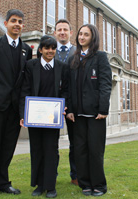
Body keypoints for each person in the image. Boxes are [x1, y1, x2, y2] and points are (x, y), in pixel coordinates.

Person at [0, 9, 32, 199]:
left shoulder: (27, 50)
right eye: (13, 21)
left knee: (9, 147)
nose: (17, 24)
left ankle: (3, 183)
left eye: (20, 22)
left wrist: (24, 109)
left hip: (15, 108)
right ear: (6, 24)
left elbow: (25, 80)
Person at [19, 35, 69, 198]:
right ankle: (39, 185)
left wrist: (64, 106)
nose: (50, 51)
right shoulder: (30, 66)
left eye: (53, 48)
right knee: (37, 150)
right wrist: (23, 113)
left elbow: (65, 91)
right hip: (34, 116)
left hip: (52, 118)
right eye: (47, 48)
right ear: (40, 50)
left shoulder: (62, 67)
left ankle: (51, 186)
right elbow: (25, 90)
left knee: (51, 151)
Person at [66, 24, 112, 197]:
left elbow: (105, 84)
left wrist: (103, 108)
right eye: (80, 34)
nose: (82, 37)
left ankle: (99, 185)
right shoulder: (74, 58)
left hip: (95, 115)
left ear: (93, 37)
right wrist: (70, 109)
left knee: (95, 151)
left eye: (86, 34)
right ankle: (85, 184)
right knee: (80, 150)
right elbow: (69, 87)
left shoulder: (100, 57)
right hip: (77, 115)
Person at [53, 19, 78, 186]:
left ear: (71, 32)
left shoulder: (78, 52)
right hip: (52, 103)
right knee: (50, 143)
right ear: (55, 33)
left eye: (65, 29)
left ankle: (75, 176)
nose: (62, 32)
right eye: (59, 30)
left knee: (75, 142)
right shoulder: (47, 49)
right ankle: (49, 176)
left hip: (73, 103)